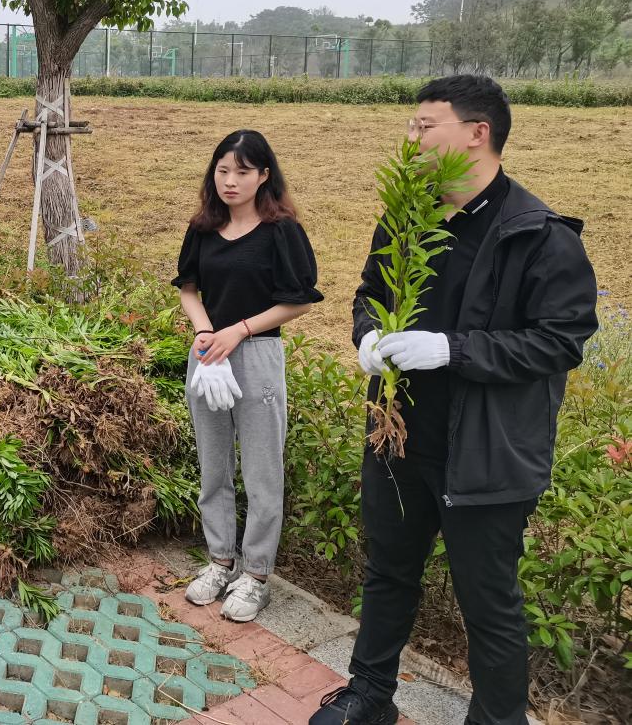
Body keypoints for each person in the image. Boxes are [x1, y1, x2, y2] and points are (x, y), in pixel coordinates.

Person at [311, 76, 599, 725]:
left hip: (483, 456)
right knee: (388, 572)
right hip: (398, 439)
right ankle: (369, 693)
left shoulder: (538, 235)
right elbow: (370, 293)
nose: (411, 137)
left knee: (488, 603)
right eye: (410, 125)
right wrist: (367, 335)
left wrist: (452, 349)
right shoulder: (407, 215)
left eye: (424, 125)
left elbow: (560, 341)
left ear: (477, 133)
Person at [173, 130, 322, 623]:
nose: (230, 181)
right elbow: (189, 287)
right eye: (222, 170)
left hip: (256, 354)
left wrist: (238, 330)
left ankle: (256, 574)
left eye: (242, 172)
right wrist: (204, 331)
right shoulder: (203, 226)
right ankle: (220, 560)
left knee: (261, 471)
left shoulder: (282, 231)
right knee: (213, 466)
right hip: (207, 355)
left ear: (263, 176)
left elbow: (298, 300)